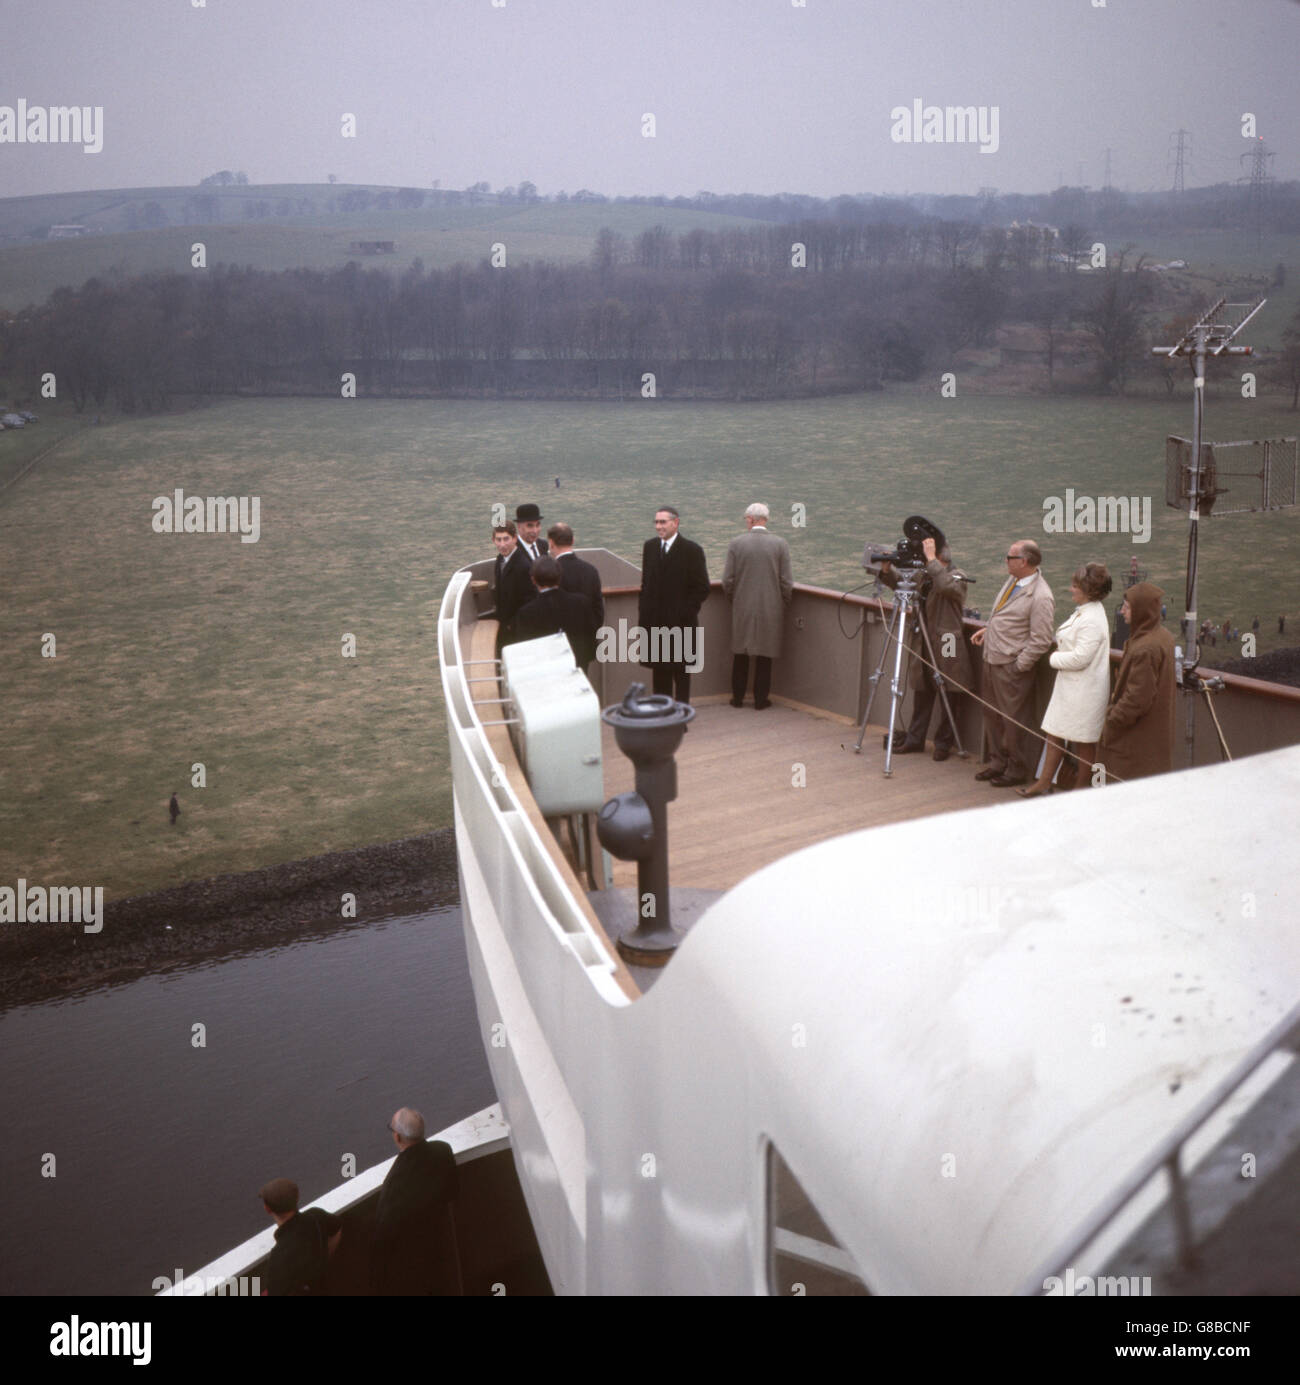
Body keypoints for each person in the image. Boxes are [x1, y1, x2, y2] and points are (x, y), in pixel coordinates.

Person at [1018, 563, 1112, 797]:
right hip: (1072, 689)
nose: (1071, 589)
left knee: (1084, 742)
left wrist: (1054, 658)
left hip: (1084, 691)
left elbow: (1081, 658)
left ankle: (1080, 790)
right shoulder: (1086, 610)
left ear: (1088, 590)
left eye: (1075, 586)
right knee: (1055, 733)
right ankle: (1045, 782)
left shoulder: (1092, 619)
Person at [969, 538, 1054, 787]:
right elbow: (1004, 614)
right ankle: (998, 762)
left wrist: (1019, 666)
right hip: (992, 659)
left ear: (1024, 561)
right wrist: (988, 629)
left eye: (1009, 557)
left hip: (1011, 668)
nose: (1006, 561)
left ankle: (1017, 768)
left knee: (1013, 720)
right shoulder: (1013, 582)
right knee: (992, 715)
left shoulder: (1041, 596)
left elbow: (1040, 640)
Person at [878, 535, 971, 760]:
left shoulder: (958, 576)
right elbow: (902, 584)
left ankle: (943, 744)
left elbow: (947, 587)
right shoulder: (925, 575)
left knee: (950, 689)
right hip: (924, 639)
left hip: (948, 640)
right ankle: (914, 738)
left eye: (931, 558)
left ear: (940, 559)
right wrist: (887, 570)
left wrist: (931, 561)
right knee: (922, 690)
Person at [371, 1108, 461, 1295]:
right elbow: (452, 1191)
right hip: (442, 1242)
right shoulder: (443, 1150)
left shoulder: (394, 1184)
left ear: (397, 1138)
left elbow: (383, 1235)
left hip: (412, 1261)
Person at [1099, 582, 1177, 782]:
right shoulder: (1163, 637)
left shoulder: (1145, 648)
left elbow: (1137, 699)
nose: (1122, 611)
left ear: (1142, 611)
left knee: (1124, 798)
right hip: (1151, 740)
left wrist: (1111, 720)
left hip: (1134, 743)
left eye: (1127, 606)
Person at [722, 503, 792, 710]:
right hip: (771, 607)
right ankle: (761, 700)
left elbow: (727, 580)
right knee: (764, 655)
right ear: (765, 519)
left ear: (751, 519)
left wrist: (735, 600)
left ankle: (737, 699)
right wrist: (782, 604)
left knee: (740, 654)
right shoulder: (780, 545)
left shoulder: (736, 543)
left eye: (746, 518)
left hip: (742, 606)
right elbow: (786, 582)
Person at [638, 506, 710, 704]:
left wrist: (684, 613)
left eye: (663, 522)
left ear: (675, 522)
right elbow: (646, 584)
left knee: (681, 674)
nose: (658, 526)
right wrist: (644, 613)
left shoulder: (692, 550)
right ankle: (663, 714)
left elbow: (702, 588)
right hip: (654, 624)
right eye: (656, 522)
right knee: (659, 673)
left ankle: (680, 716)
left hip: (681, 625)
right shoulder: (650, 547)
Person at [258, 1178, 342, 1296]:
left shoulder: (279, 1256)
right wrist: (325, 1257)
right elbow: (337, 1229)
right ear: (297, 1198)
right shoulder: (316, 1216)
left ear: (267, 1209)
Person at [515, 557, 599, 672]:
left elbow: (526, 650)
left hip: (546, 671)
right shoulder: (581, 602)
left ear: (533, 580)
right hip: (578, 666)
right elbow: (591, 636)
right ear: (560, 577)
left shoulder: (526, 613)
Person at [548, 523, 604, 637]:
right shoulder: (591, 570)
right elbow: (599, 612)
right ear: (573, 541)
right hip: (588, 640)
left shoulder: (551, 573)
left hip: (562, 642)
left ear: (551, 543)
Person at [492, 520, 534, 656]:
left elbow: (530, 600)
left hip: (517, 631)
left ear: (515, 539)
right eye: (498, 540)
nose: (502, 544)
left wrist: (513, 625)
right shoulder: (500, 560)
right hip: (505, 626)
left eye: (506, 539)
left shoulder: (523, 566)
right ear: (493, 540)